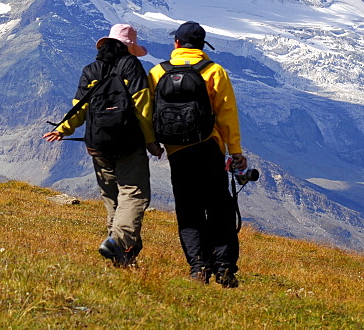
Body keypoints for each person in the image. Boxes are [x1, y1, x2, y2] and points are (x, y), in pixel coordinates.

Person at [43, 24, 163, 267]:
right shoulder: (132, 67)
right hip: (128, 143)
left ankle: (121, 255)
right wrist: (151, 141)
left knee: (113, 198)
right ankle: (118, 243)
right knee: (134, 194)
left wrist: (62, 129)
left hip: (98, 145)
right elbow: (142, 108)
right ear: (128, 47)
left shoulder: (91, 69)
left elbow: (80, 106)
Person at [149, 21, 247, 287]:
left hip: (177, 151)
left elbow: (149, 112)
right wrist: (235, 150)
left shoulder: (158, 72)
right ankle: (225, 269)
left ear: (177, 44)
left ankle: (198, 268)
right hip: (209, 147)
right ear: (203, 46)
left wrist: (152, 142)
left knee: (188, 209)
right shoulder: (214, 71)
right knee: (220, 208)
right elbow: (227, 115)